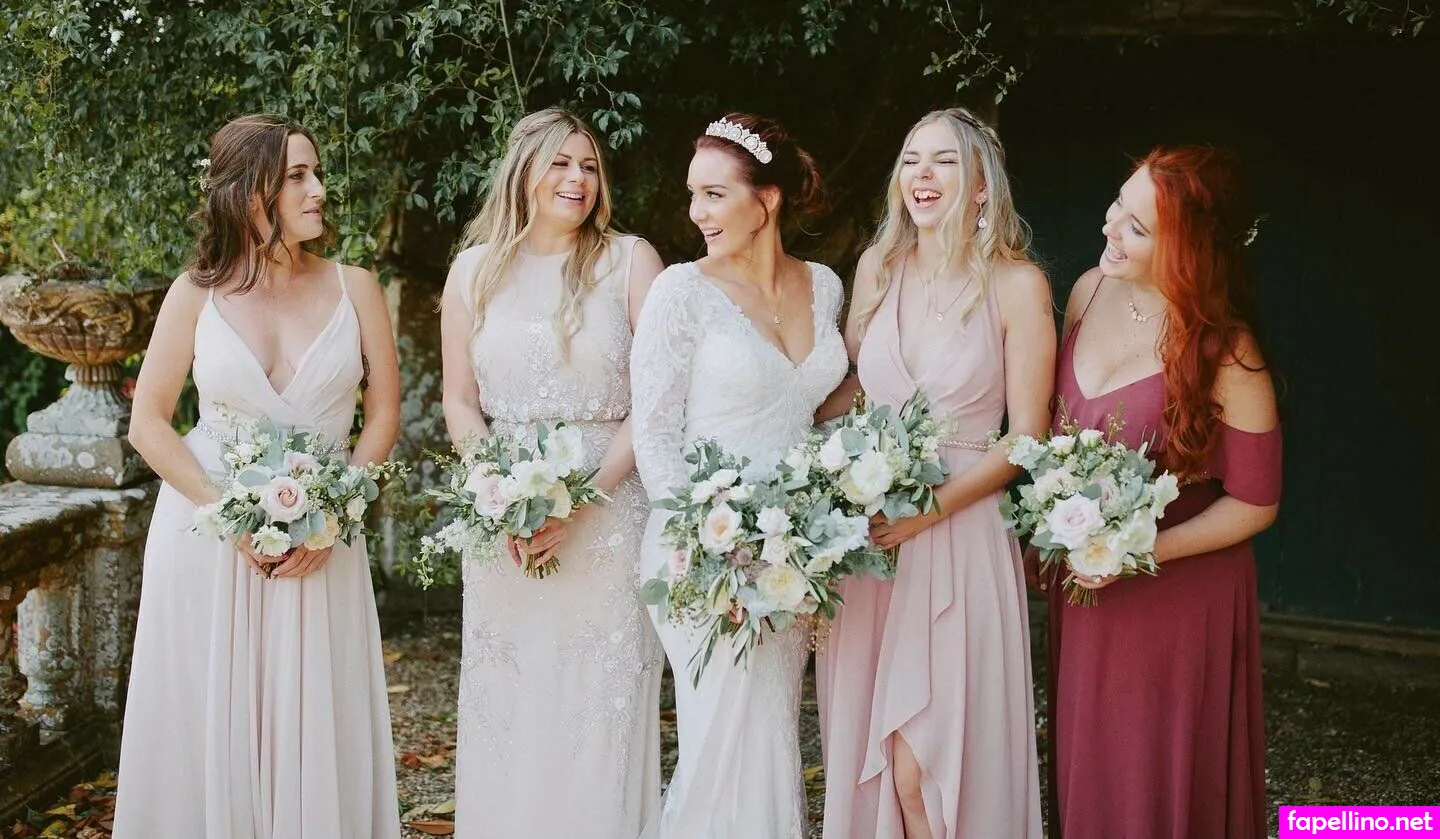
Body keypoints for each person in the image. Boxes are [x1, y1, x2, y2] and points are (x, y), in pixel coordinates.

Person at [114, 114, 402, 838]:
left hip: (322, 540)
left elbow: (383, 418)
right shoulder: (195, 294)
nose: (319, 190)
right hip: (209, 541)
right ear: (250, 195)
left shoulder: (357, 288)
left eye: (317, 172)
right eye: (297, 176)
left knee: (317, 714)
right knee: (208, 720)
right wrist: (231, 518)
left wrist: (333, 517)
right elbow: (148, 422)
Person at [816, 107, 1051, 839]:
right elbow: (853, 393)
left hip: (960, 534)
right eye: (912, 159)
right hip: (875, 542)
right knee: (878, 754)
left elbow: (1028, 438)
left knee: (927, 763)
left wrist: (933, 509)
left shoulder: (1017, 285)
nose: (922, 174)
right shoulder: (877, 270)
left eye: (945, 160)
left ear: (982, 186)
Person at [438, 107, 666, 839]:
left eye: (590, 166)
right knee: (510, 695)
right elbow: (459, 399)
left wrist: (584, 500)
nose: (578, 179)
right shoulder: (473, 271)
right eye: (562, 163)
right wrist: (499, 495)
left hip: (610, 516)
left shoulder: (631, 262)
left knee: (598, 700)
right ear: (523, 171)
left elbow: (655, 400)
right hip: (504, 523)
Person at [1047, 144, 1282, 839]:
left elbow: (1258, 501)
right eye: (1117, 206)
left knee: (1155, 779)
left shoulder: (1227, 351)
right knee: (1091, 771)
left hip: (1178, 596)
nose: (1109, 229)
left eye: (1137, 227)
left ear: (1187, 248)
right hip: (1087, 588)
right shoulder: (1088, 292)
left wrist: (1139, 549)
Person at [630, 113, 847, 838]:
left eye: (715, 194)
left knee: (770, 731)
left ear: (768, 200)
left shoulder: (824, 287)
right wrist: (711, 547)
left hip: (792, 556)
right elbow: (654, 435)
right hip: (700, 557)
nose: (697, 212)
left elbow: (820, 412)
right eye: (693, 194)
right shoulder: (680, 292)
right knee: (720, 736)